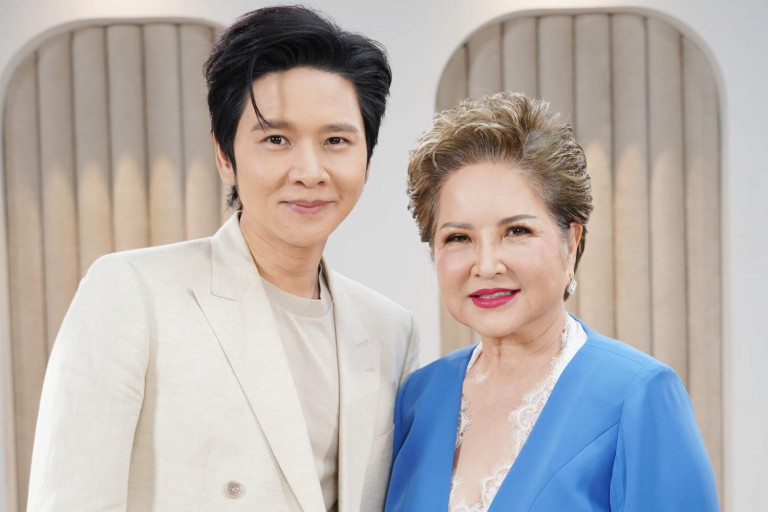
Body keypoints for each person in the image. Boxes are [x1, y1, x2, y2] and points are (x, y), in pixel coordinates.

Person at [27, 6, 419, 511]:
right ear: (224, 157)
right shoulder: (131, 293)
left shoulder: (390, 331)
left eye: (336, 141)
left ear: (366, 159)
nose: (309, 170)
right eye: (276, 139)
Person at [385, 92, 719, 511]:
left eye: (516, 231)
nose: (486, 265)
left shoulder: (639, 395)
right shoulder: (418, 397)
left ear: (570, 243)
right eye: (458, 237)